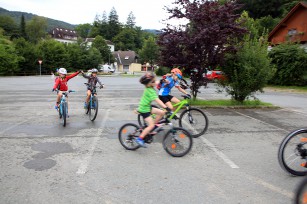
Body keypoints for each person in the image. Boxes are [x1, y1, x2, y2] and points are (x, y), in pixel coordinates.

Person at [136, 72, 171, 147]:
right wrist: (166, 107)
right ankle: (140, 138)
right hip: (144, 109)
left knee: (161, 113)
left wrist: (163, 80)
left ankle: (153, 126)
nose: (156, 82)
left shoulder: (150, 85)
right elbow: (158, 100)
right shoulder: (150, 91)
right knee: (151, 126)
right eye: (154, 81)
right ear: (150, 83)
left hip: (148, 107)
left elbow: (158, 82)